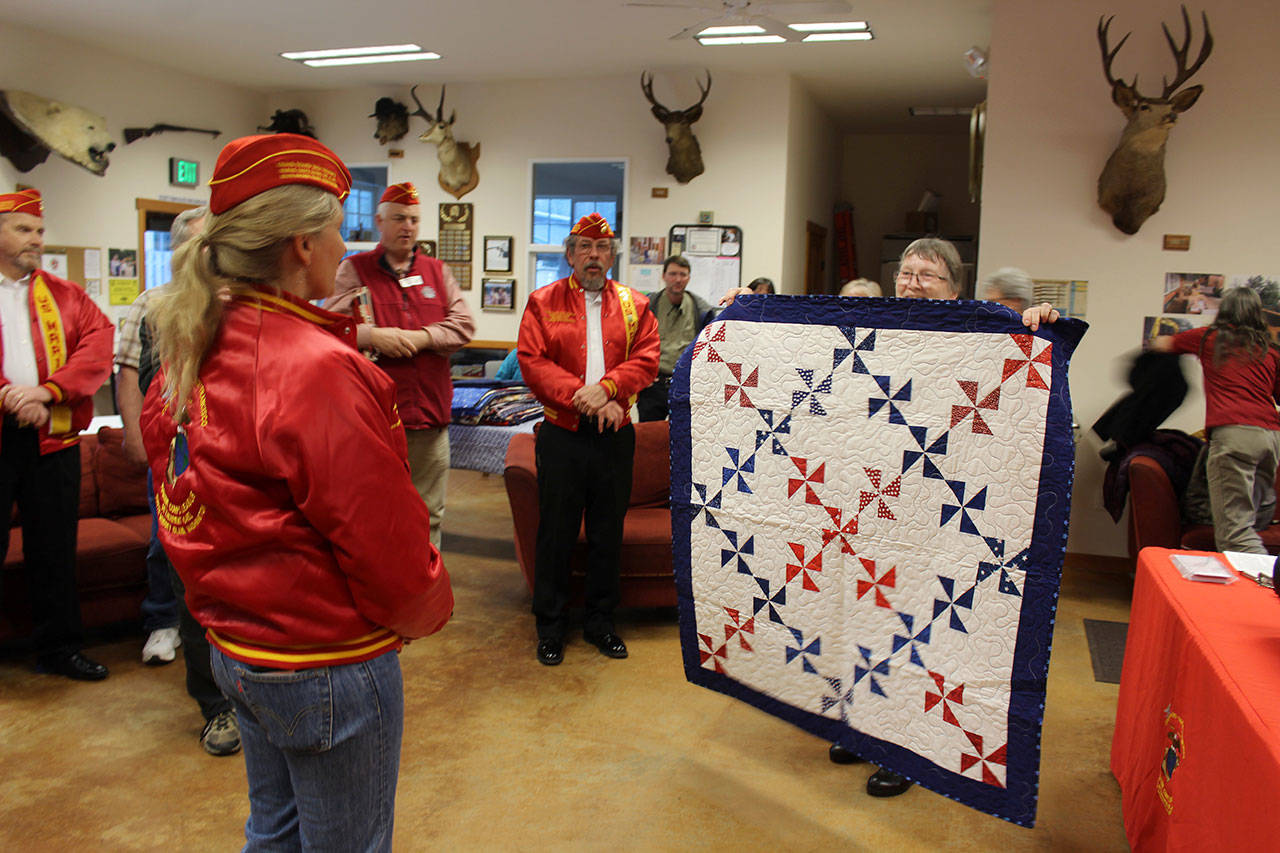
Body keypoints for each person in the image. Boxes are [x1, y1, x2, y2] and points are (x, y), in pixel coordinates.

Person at [142, 134, 453, 850]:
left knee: (274, 830)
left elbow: (177, 503)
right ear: (301, 246)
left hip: (241, 646)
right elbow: (384, 536)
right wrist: (418, 612)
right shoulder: (316, 365)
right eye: (337, 230)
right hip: (325, 659)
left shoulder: (194, 343)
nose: (345, 245)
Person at [725, 236, 1058, 798]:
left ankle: (906, 750)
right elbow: (805, 366)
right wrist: (748, 312)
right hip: (867, 510)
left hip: (933, 520)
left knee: (918, 636)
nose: (912, 283)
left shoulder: (978, 335)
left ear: (954, 287)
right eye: (905, 272)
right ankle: (860, 728)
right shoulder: (870, 331)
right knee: (861, 622)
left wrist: (1039, 321)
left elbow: (1018, 368)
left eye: (927, 275)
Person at [118, 207, 241, 755]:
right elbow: (145, 386)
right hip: (184, 458)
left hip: (237, 462)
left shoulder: (242, 305)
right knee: (192, 581)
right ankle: (215, 707)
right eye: (198, 246)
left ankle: (249, 692)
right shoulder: (159, 310)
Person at [517, 213, 659, 666]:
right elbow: (532, 362)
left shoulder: (637, 304)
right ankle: (551, 625)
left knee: (606, 533)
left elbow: (648, 358)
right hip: (561, 436)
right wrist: (586, 398)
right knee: (556, 533)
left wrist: (611, 390)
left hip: (615, 437)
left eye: (601, 248)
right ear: (570, 254)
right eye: (584, 248)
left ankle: (601, 622)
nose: (593, 256)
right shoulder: (542, 302)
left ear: (612, 255)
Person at [0, 188, 113, 681]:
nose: (37, 240)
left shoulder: (66, 296)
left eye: (40, 231)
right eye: (24, 229)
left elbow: (98, 344)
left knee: (54, 549)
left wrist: (47, 392)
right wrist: (6, 394)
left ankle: (59, 650)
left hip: (52, 436)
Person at [325, 181, 475, 547]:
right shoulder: (354, 270)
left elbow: (464, 326)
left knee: (429, 515)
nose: (406, 226)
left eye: (413, 219)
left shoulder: (438, 272)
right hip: (373, 420)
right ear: (379, 220)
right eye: (398, 218)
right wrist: (374, 337)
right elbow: (328, 327)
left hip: (429, 420)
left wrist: (421, 338)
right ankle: (381, 600)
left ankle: (428, 597)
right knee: (374, 513)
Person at [116, 207, 202, 667]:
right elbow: (128, 373)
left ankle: (208, 624)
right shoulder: (150, 305)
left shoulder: (229, 303)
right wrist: (134, 433)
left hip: (217, 441)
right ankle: (162, 621)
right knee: (165, 534)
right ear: (177, 250)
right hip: (169, 441)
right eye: (197, 243)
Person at [1152, 286, 1280, 553]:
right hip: (1271, 436)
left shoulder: (1211, 338)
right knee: (1256, 519)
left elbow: (1161, 344)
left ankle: (1263, 586)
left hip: (1235, 435)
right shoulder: (1269, 349)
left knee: (1236, 533)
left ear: (1225, 310)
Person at [638, 254, 716, 422]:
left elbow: (710, 350)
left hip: (685, 386)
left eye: (683, 274)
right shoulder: (648, 306)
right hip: (653, 386)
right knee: (650, 440)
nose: (677, 279)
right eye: (673, 274)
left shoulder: (701, 311)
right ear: (664, 276)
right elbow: (635, 344)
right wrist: (641, 377)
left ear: (689, 278)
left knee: (684, 440)